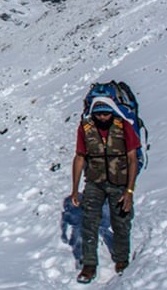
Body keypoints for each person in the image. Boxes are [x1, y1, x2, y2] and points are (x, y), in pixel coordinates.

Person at [70, 101, 141, 283]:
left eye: (106, 113)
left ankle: (121, 258)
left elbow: (133, 158)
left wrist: (130, 190)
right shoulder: (85, 128)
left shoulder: (123, 126)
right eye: (99, 114)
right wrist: (75, 189)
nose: (102, 117)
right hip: (95, 181)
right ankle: (89, 264)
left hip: (120, 182)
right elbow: (80, 157)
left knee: (121, 221)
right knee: (89, 222)